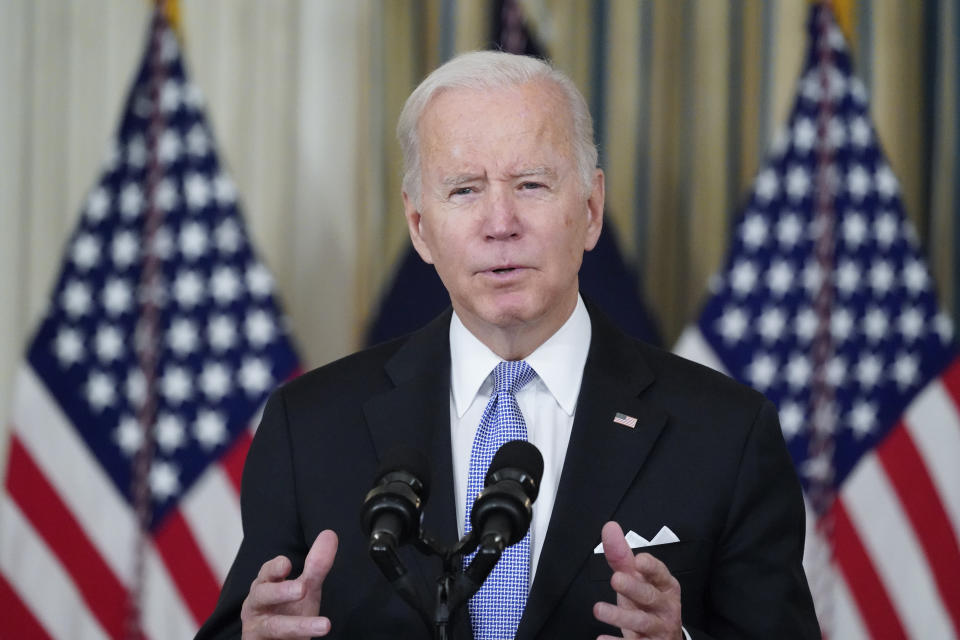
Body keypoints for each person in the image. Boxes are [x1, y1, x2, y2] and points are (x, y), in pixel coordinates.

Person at [196, 51, 819, 640]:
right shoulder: (309, 427)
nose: (500, 223)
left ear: (592, 209)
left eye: (531, 185)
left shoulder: (724, 433)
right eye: (464, 189)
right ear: (420, 227)